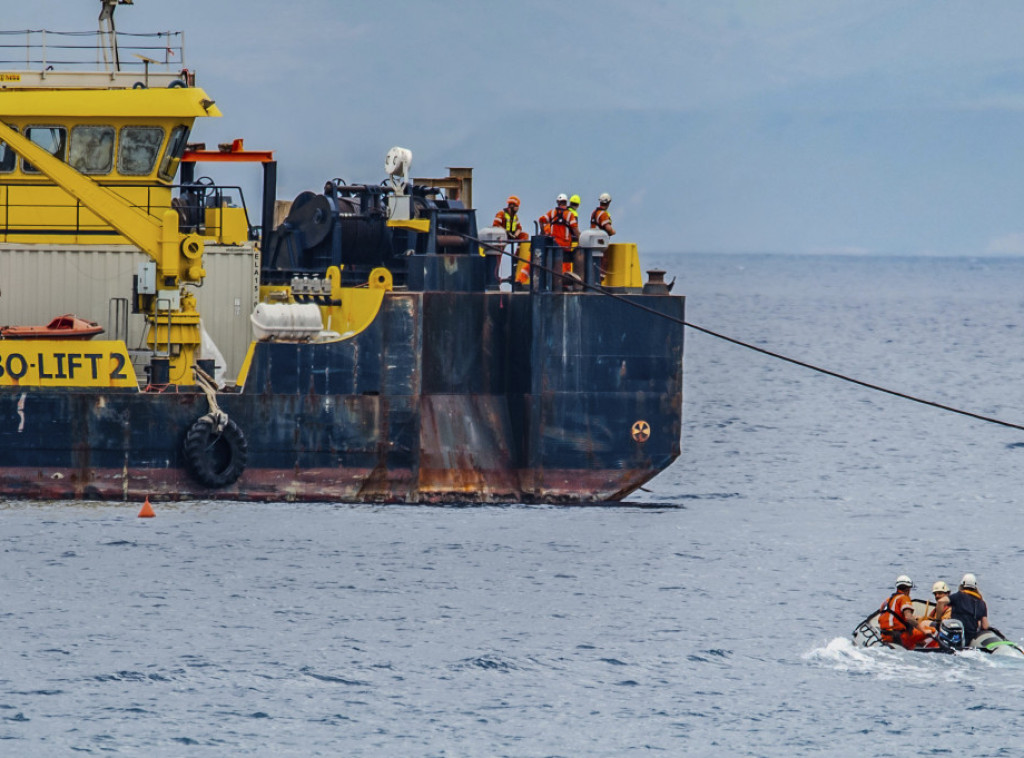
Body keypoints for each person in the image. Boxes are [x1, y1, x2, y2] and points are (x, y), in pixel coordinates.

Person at [878, 575, 935, 650]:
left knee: (914, 633)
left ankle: (915, 643)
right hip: (899, 636)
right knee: (933, 630)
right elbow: (909, 618)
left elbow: (882, 615)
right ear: (908, 589)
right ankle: (931, 648)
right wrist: (924, 630)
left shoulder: (887, 600)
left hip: (885, 635)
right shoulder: (904, 598)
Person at [538, 193, 579, 273]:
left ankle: (555, 281)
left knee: (554, 266)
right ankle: (564, 283)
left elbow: (541, 220)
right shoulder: (570, 215)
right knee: (566, 266)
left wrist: (543, 232)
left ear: (558, 202)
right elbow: (575, 230)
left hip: (554, 245)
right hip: (566, 245)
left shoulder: (552, 213)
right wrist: (580, 241)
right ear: (566, 202)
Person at [494, 196, 530, 285]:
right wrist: (505, 232)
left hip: (511, 236)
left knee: (524, 236)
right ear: (512, 206)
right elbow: (495, 225)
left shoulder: (515, 217)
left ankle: (516, 255)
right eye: (517, 206)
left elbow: (519, 228)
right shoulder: (501, 214)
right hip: (501, 237)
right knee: (498, 256)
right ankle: (495, 276)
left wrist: (515, 235)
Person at [946, 573, 989, 643]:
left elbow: (942, 601)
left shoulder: (958, 596)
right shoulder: (982, 603)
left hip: (956, 634)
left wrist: (938, 619)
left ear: (962, 585)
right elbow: (985, 626)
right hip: (970, 637)